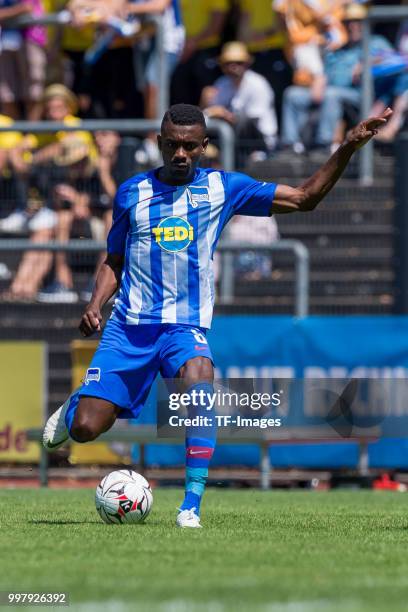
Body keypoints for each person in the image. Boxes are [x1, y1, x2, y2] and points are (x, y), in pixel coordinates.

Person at [42, 102, 392, 527]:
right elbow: (114, 258)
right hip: (129, 328)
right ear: (159, 143)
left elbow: (305, 198)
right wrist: (95, 304)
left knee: (198, 378)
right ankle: (79, 401)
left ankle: (190, 505)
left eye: (190, 146)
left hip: (184, 326)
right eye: (172, 145)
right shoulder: (132, 192)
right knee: (85, 429)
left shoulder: (223, 188)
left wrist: (348, 147)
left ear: (205, 146)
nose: (180, 154)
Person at [201, 42, 278, 158]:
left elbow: (251, 121)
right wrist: (205, 105)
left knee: (243, 120)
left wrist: (224, 114)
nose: (234, 67)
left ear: (247, 64)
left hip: (260, 142)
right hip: (233, 137)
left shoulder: (258, 84)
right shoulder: (222, 83)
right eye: (228, 63)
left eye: (239, 63)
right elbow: (211, 114)